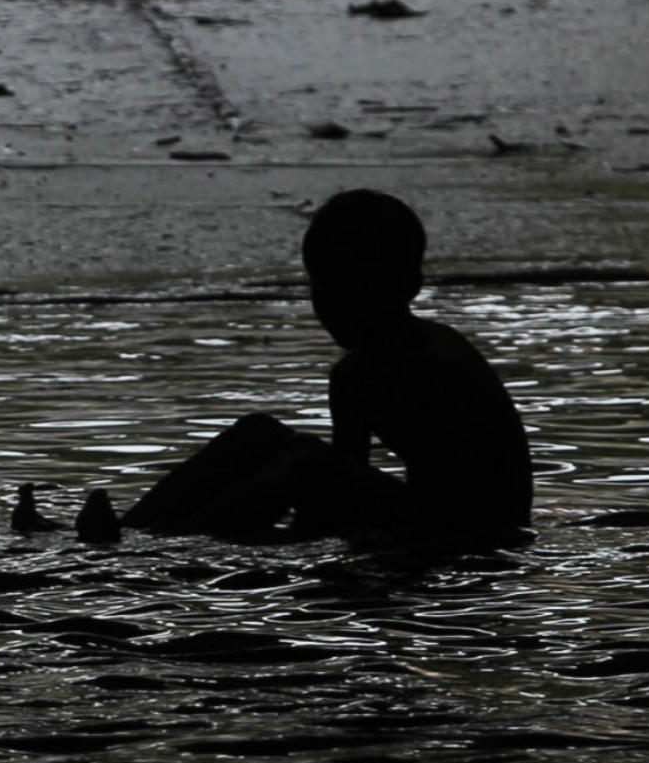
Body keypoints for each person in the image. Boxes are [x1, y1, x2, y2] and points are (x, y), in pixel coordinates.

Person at [118, 190, 534, 547]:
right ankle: (133, 532)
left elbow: (332, 498)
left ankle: (176, 541)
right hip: (448, 520)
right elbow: (341, 487)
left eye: (351, 288)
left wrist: (282, 539)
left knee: (305, 461)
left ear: (407, 286)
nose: (333, 306)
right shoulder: (390, 361)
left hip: (473, 530)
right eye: (324, 287)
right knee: (259, 431)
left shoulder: (421, 362)